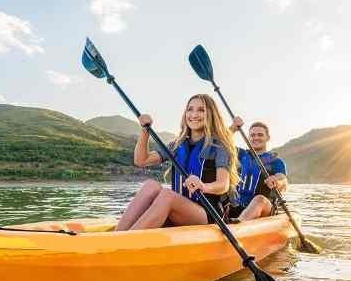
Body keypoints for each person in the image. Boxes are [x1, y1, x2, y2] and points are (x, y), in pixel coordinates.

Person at [115, 94, 239, 231]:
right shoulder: (177, 144)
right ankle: (117, 236)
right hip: (178, 209)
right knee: (151, 186)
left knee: (168, 196)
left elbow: (223, 185)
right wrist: (145, 131)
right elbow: (141, 160)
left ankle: (126, 244)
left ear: (211, 114)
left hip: (208, 213)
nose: (194, 114)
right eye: (190, 109)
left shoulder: (219, 145)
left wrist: (203, 186)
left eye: (201, 110)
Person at [227, 118, 288, 222]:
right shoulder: (239, 154)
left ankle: (238, 225)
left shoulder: (276, 161)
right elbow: (221, 140)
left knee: (259, 200)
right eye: (252, 135)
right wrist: (232, 128)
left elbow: (283, 180)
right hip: (237, 207)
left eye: (260, 135)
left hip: (264, 207)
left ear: (268, 138)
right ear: (248, 138)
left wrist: (277, 181)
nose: (256, 138)